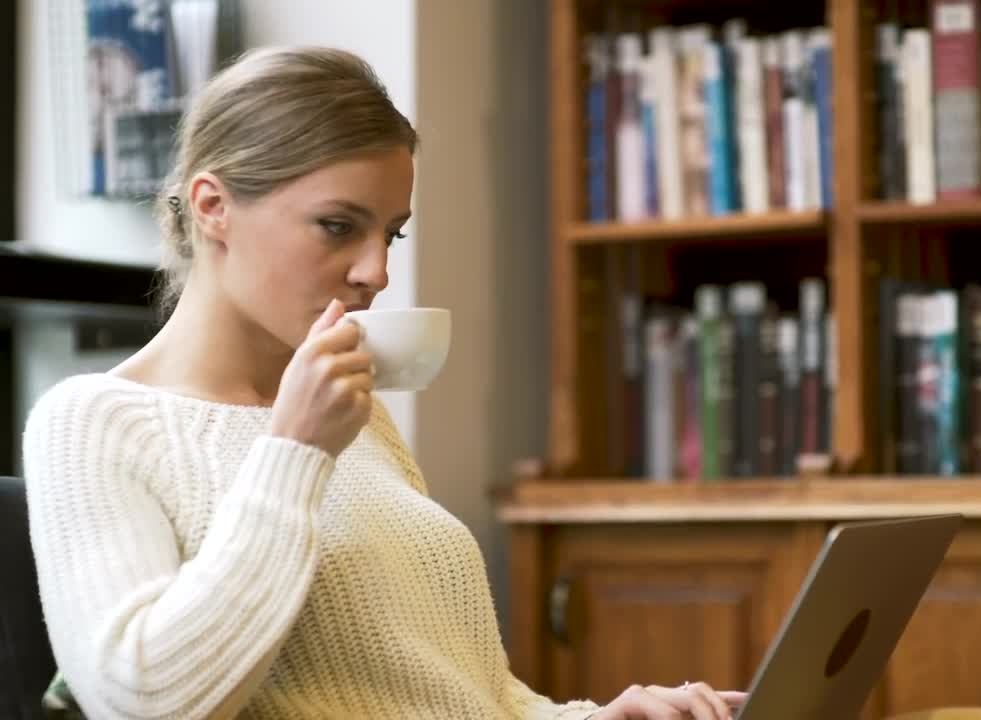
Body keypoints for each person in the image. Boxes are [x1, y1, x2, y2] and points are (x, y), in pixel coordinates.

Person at [22, 46, 744, 720]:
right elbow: (145, 700)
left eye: (390, 234)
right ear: (213, 207)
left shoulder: (354, 414)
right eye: (339, 226)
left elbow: (463, 694)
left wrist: (595, 717)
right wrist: (293, 453)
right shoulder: (91, 424)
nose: (377, 272)